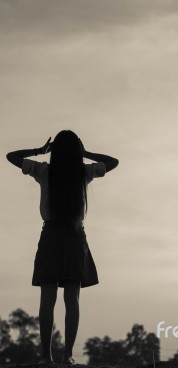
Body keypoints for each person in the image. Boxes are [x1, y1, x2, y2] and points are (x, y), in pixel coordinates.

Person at [6, 130, 119, 365]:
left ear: (55, 151)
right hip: (76, 236)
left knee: (47, 299)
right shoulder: (84, 172)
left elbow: (11, 156)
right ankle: (67, 355)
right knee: (72, 299)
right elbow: (112, 162)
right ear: (76, 151)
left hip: (51, 235)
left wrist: (39, 151)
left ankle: (46, 357)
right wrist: (85, 153)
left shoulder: (44, 171)